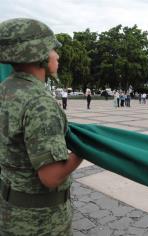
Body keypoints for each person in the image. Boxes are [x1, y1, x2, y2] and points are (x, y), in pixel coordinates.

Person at [0, 18, 83, 235]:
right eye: (53, 49)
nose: (57, 55)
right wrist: (83, 151)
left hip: (10, 212)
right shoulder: (39, 102)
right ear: (38, 55)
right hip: (40, 222)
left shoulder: (5, 89)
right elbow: (51, 176)